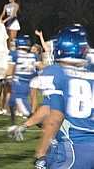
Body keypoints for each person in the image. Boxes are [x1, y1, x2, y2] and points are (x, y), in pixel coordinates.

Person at [32, 26, 94, 168]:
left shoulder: (57, 72)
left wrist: (41, 152)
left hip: (75, 147)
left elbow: (55, 118)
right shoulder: (91, 72)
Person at [5, 35, 41, 124]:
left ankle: (44, 125)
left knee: (26, 112)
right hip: (30, 81)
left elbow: (10, 69)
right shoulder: (34, 55)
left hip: (20, 83)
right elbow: (40, 66)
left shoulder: (14, 54)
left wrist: (8, 78)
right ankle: (12, 123)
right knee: (11, 102)